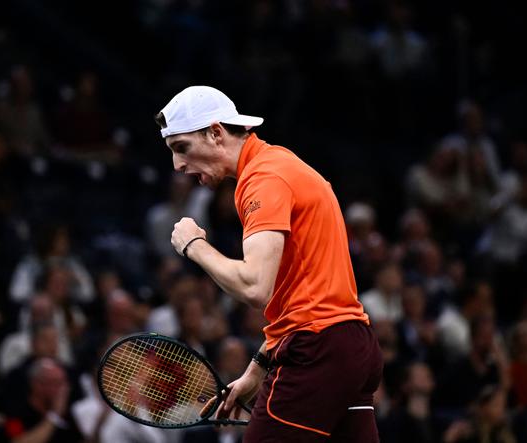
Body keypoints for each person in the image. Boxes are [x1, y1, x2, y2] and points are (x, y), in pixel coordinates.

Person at [155, 85, 383, 442]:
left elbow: (254, 286)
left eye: (181, 148)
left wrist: (194, 246)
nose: (178, 165)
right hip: (354, 346)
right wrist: (257, 369)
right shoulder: (279, 165)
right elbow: (299, 292)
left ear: (215, 133)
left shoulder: (263, 179)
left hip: (318, 350)